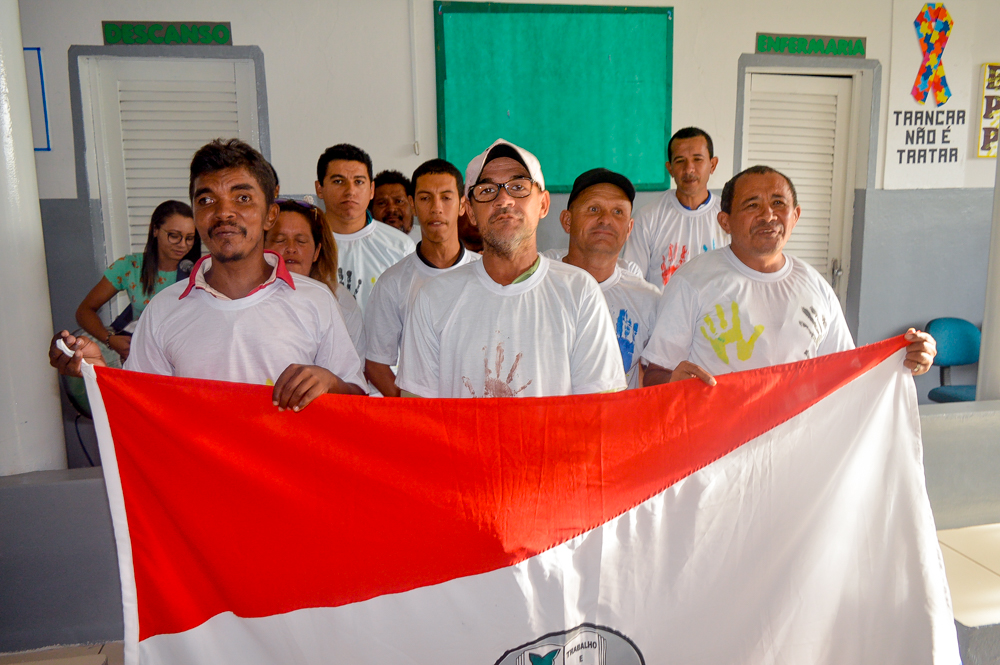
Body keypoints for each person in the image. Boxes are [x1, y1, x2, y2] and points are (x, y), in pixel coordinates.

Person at [52, 139, 366, 410]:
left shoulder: (315, 300)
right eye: (206, 200)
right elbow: (140, 410)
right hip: (196, 466)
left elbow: (358, 401)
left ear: (270, 215)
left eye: (242, 198)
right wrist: (97, 372)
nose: (223, 212)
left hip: (287, 465)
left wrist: (329, 381)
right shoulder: (164, 309)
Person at [641, 165, 936, 387]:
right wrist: (672, 383)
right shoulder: (692, 282)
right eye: (752, 205)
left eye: (779, 203)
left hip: (795, 445)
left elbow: (846, 373)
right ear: (725, 221)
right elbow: (654, 372)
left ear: (795, 216)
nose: (768, 216)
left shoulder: (817, 288)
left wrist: (903, 359)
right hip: (718, 448)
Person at [396, 139, 626, 398]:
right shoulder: (433, 297)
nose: (504, 199)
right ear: (470, 212)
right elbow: (419, 410)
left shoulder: (580, 292)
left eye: (518, 187)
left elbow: (599, 408)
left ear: (543, 204)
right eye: (487, 190)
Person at [364, 159, 481, 397]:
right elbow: (376, 363)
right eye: (426, 198)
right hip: (419, 410)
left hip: (478, 408)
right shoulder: (393, 282)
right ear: (413, 205)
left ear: (463, 205)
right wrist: (412, 409)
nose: (436, 208)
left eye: (446, 197)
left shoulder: (485, 272)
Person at [552, 169, 661, 389]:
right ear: (567, 221)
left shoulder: (649, 300)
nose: (605, 220)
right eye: (594, 209)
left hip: (617, 412)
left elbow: (657, 374)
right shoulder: (538, 281)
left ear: (629, 228)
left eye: (618, 212)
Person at [75, 200, 200, 361]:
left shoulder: (199, 272)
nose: (182, 245)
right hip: (141, 357)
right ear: (155, 230)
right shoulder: (130, 266)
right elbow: (84, 311)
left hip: (183, 357)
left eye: (189, 238)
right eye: (174, 236)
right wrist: (110, 340)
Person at [622, 127, 729, 287]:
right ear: (670, 168)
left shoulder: (730, 217)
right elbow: (631, 283)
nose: (689, 169)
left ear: (712, 165)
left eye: (697, 159)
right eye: (680, 161)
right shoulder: (646, 218)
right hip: (662, 304)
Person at [314, 144, 415, 310]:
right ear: (319, 189)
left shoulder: (401, 247)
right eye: (338, 181)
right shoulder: (304, 243)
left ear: (371, 190)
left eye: (358, 182)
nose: (350, 191)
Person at [264, 198, 366, 359]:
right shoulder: (242, 295)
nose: (291, 248)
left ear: (316, 252)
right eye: (280, 240)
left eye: (301, 241)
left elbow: (352, 370)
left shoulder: (339, 300)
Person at [370, 170, 415, 235]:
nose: (391, 209)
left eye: (399, 201)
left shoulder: (426, 237)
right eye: (382, 203)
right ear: (371, 210)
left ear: (412, 206)